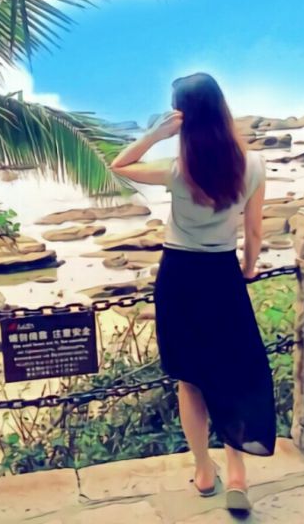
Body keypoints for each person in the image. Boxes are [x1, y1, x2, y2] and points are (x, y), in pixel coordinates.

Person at [110, 72, 276, 512]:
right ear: (222, 108)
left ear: (183, 117)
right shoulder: (253, 165)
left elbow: (119, 165)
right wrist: (248, 269)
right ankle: (237, 473)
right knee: (231, 372)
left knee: (191, 379)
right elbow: (254, 232)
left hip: (180, 276)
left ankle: (204, 471)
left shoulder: (177, 169)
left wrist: (156, 134)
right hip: (222, 275)